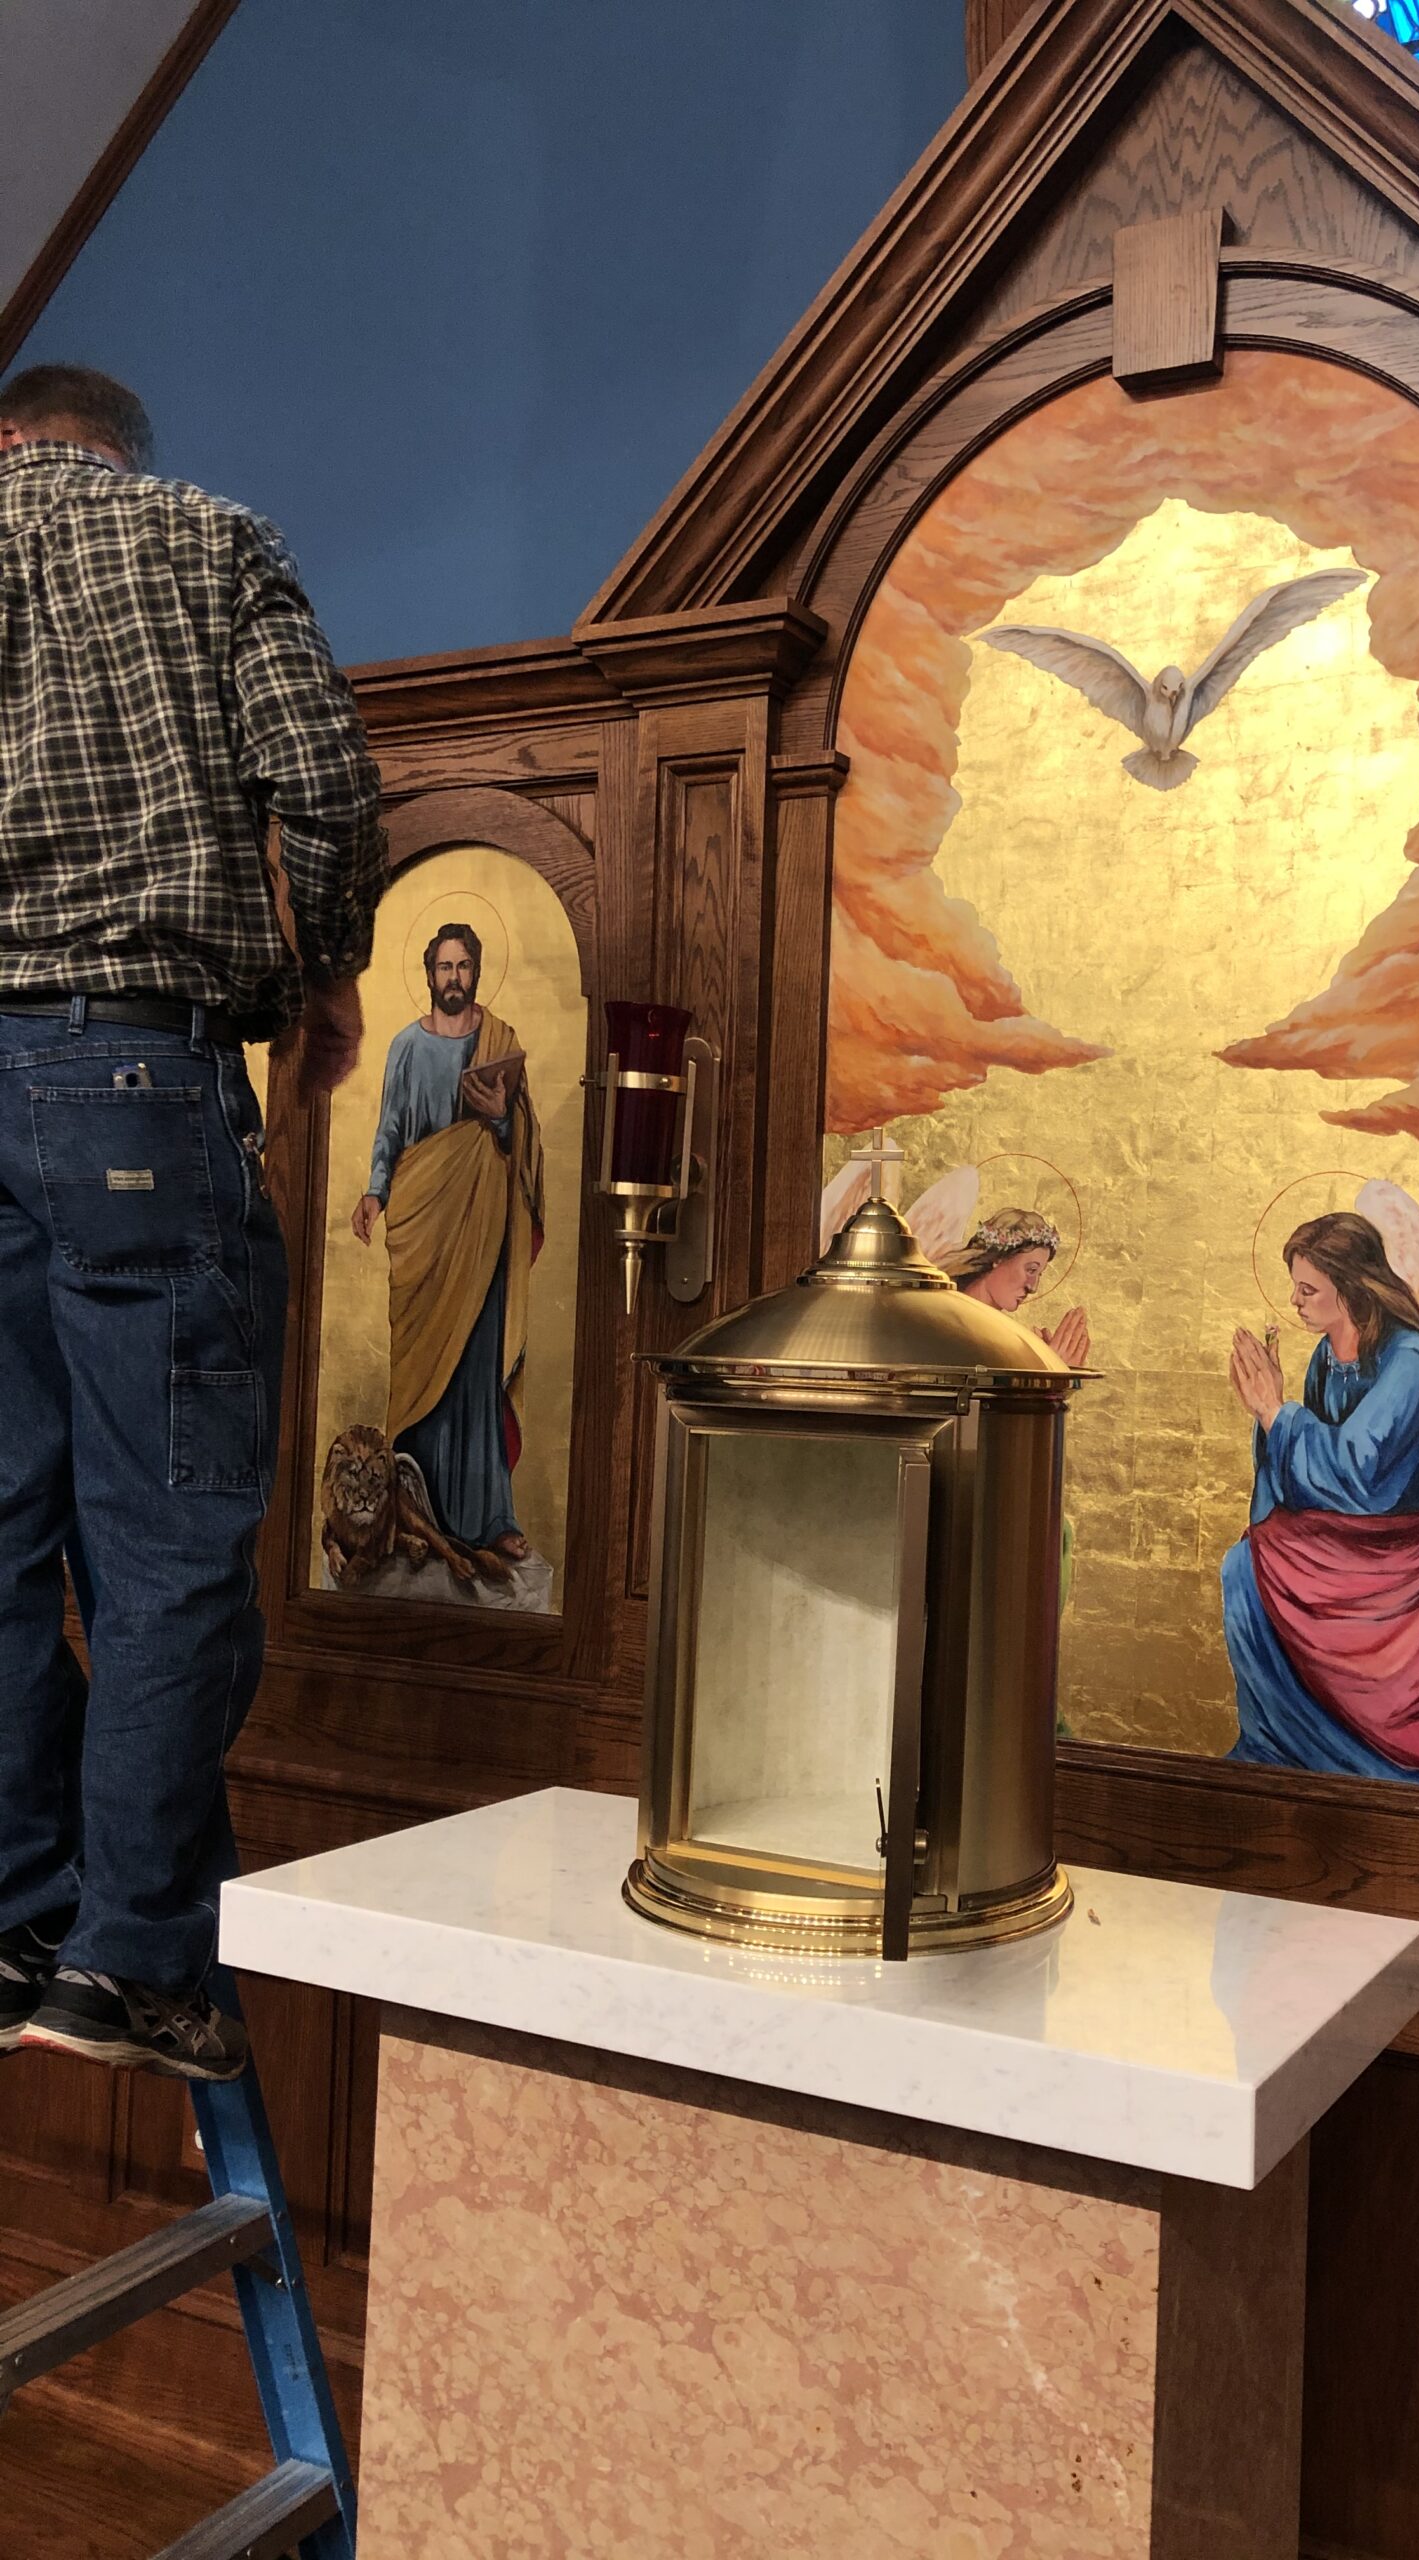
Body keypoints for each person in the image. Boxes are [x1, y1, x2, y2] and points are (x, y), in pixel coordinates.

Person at [0, 365, 386, 2079]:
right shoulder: (208, 539)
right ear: (114, 453)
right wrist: (325, 980)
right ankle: (136, 1961)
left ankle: (19, 1913)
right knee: (162, 1536)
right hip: (131, 1071)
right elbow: (322, 789)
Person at [1221, 1211, 1419, 1790]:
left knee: (1252, 1569)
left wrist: (1274, 1412)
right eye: (1295, 1287)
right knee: (1245, 1566)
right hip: (1351, 1543)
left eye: (1308, 1289)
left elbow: (1359, 1475)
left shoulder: (1407, 1362)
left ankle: (1352, 1760)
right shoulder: (1328, 1356)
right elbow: (1308, 1470)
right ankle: (1280, 1742)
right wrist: (1273, 1419)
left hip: (1412, 1566)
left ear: (1349, 1288)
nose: (1295, 1301)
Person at [351, 922, 543, 1563]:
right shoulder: (407, 1047)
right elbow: (389, 1128)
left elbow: (525, 1147)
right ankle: (411, 1513)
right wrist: (376, 1192)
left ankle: (490, 1519)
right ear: (429, 973)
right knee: (421, 1367)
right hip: (424, 1220)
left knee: (476, 1367)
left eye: (463, 967)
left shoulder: (501, 1043)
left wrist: (496, 1116)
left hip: (482, 1224)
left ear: (477, 972)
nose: (453, 978)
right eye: (443, 967)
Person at [943, 1208, 1091, 1366]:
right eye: (1031, 1270)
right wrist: (1051, 1371)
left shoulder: (996, 1331)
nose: (1033, 1287)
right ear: (999, 1258)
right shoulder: (954, 1324)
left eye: (1039, 1274)